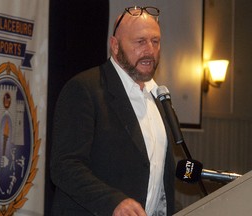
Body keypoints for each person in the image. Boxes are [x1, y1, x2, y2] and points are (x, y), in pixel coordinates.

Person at [50, 6, 175, 216]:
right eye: (140, 42)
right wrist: (113, 202)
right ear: (115, 46)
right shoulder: (85, 89)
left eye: (155, 41)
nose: (150, 50)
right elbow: (65, 166)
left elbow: (156, 178)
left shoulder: (159, 97)